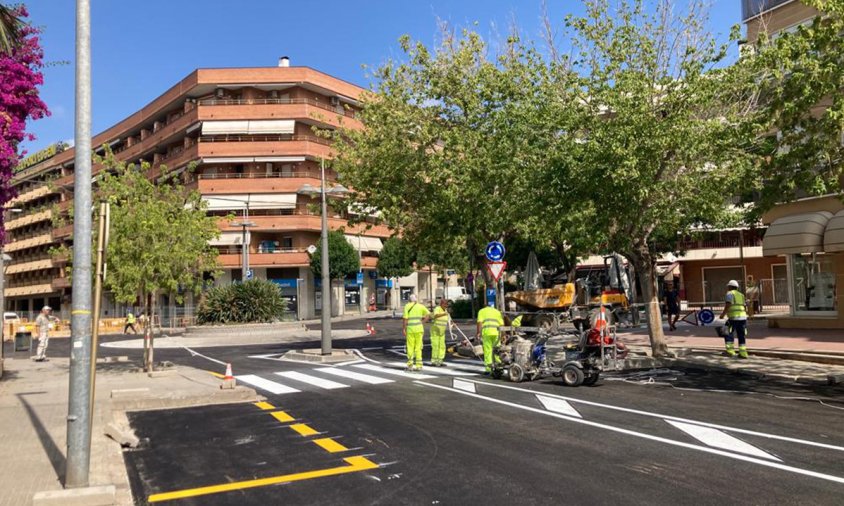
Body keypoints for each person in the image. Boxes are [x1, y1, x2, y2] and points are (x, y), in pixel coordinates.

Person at [719, 279, 749, 359]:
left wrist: (722, 314)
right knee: (741, 335)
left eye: (728, 286)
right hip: (743, 318)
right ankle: (743, 353)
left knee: (727, 332)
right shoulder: (741, 295)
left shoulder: (729, 294)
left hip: (733, 318)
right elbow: (745, 306)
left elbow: (728, 305)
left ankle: (730, 351)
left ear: (730, 286)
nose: (727, 288)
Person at [402, 294, 430, 371]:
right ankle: (419, 365)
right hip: (419, 329)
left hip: (410, 329)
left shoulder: (407, 306)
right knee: (418, 347)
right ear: (416, 299)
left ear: (409, 299)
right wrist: (423, 322)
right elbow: (428, 314)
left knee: (410, 347)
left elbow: (405, 319)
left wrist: (404, 329)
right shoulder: (420, 306)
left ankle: (410, 365)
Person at [476, 300, 504, 375]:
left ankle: (488, 369)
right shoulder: (497, 312)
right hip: (497, 333)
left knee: (488, 351)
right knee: (497, 350)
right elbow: (501, 324)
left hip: (487, 333)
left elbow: (480, 322)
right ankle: (499, 366)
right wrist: (503, 335)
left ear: (485, 305)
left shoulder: (482, 311)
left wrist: (478, 333)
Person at [429, 298, 450, 366]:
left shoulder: (445, 310)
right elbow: (435, 315)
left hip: (442, 331)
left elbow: (449, 319)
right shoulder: (437, 308)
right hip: (435, 330)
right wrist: (444, 314)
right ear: (441, 304)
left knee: (442, 346)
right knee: (435, 345)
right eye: (445, 304)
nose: (446, 305)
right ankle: (434, 361)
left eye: (447, 304)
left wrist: (452, 324)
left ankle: (440, 360)